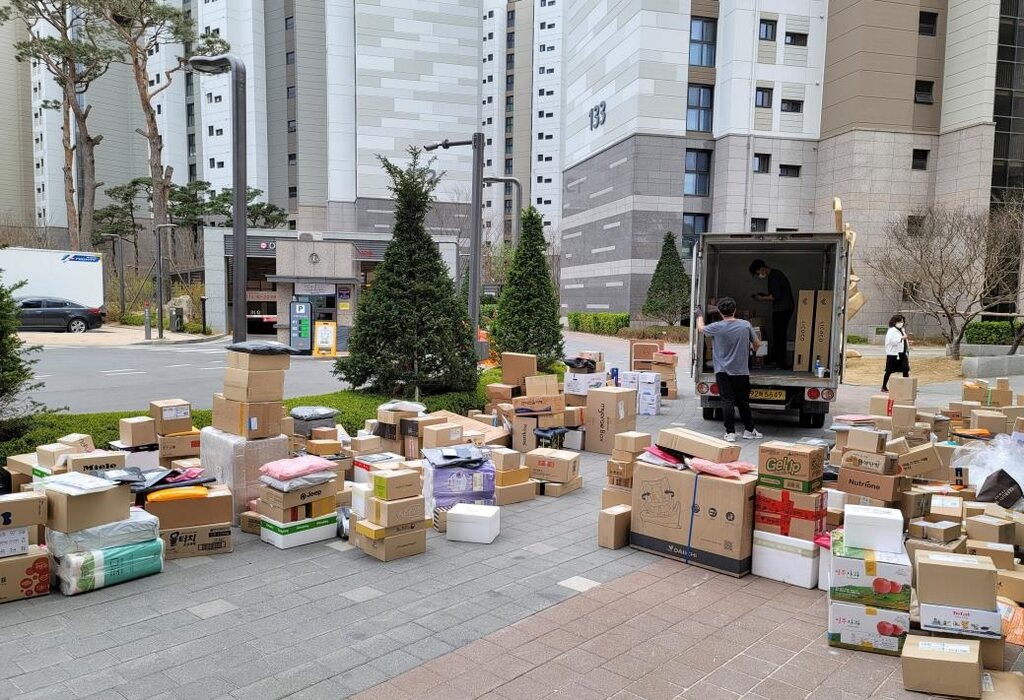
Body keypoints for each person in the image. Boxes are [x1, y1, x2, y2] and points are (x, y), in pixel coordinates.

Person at [696, 297, 763, 442]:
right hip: (741, 371)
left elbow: (701, 329)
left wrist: (699, 315)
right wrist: (753, 351)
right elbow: (757, 343)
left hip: (722, 372)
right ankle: (749, 430)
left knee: (727, 401)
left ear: (720, 312)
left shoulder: (716, 327)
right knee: (743, 401)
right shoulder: (745, 325)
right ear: (735, 310)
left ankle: (730, 433)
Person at [749, 259, 794, 369]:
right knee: (779, 334)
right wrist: (765, 295)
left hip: (782, 309)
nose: (759, 275)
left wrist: (761, 298)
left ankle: (780, 362)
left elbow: (775, 296)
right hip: (784, 308)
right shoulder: (775, 274)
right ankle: (779, 361)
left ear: (762, 268)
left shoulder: (774, 277)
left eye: (758, 273)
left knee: (779, 335)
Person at [882, 314, 910, 392]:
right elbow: (891, 341)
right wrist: (901, 338)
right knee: (889, 370)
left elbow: (904, 340)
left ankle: (907, 386)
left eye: (902, 322)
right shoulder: (891, 331)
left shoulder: (902, 330)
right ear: (895, 322)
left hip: (902, 353)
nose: (901, 323)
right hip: (893, 353)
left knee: (905, 369)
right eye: (899, 322)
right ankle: (884, 386)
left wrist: (907, 344)